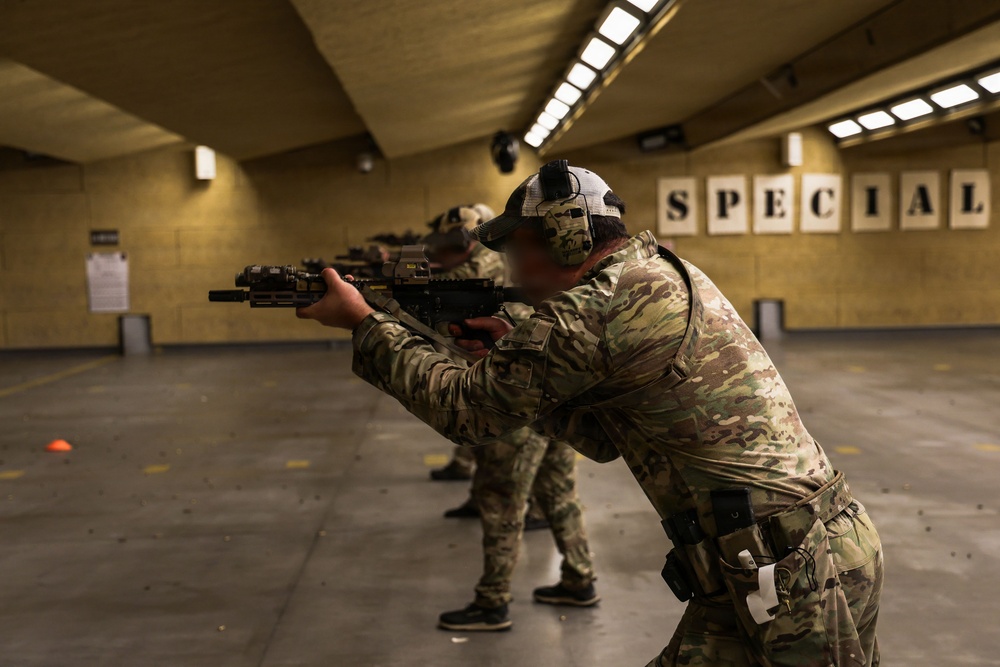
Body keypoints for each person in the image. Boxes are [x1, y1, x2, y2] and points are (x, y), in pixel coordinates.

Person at [297, 162, 883, 665]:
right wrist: (513, 363)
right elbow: (604, 438)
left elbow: (464, 412)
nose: (513, 270)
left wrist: (364, 323)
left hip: (788, 570)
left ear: (565, 238)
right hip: (802, 552)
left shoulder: (594, 308)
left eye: (518, 249)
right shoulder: (653, 273)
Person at [406, 204, 599, 631]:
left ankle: (492, 602)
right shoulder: (504, 267)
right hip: (549, 393)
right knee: (559, 493)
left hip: (514, 398)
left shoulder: (478, 269)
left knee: (501, 500)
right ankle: (579, 577)